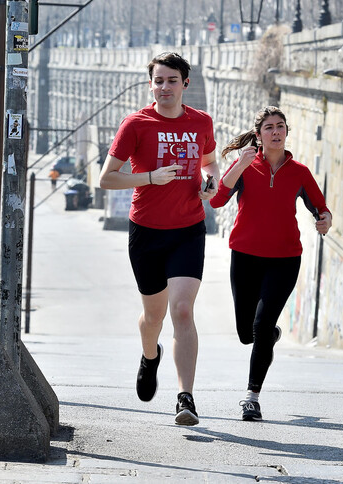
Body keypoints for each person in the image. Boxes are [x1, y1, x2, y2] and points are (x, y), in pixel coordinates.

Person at [99, 52, 219, 426]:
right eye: (158, 81)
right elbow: (107, 178)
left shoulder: (201, 122)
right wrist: (149, 178)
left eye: (172, 80)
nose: (164, 87)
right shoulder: (136, 124)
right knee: (154, 316)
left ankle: (186, 397)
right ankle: (150, 356)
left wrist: (210, 181)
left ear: (185, 84)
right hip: (147, 231)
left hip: (187, 230)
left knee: (182, 310)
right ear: (150, 85)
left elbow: (209, 162)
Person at [209, 106, 332, 421]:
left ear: (286, 132)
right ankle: (268, 335)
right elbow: (217, 199)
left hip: (285, 258)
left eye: (280, 126)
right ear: (259, 135)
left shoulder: (300, 172)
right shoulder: (246, 167)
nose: (276, 132)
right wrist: (240, 164)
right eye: (269, 127)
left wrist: (325, 219)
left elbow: (320, 206)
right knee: (245, 332)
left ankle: (252, 396)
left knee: (261, 327)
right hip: (246, 256)